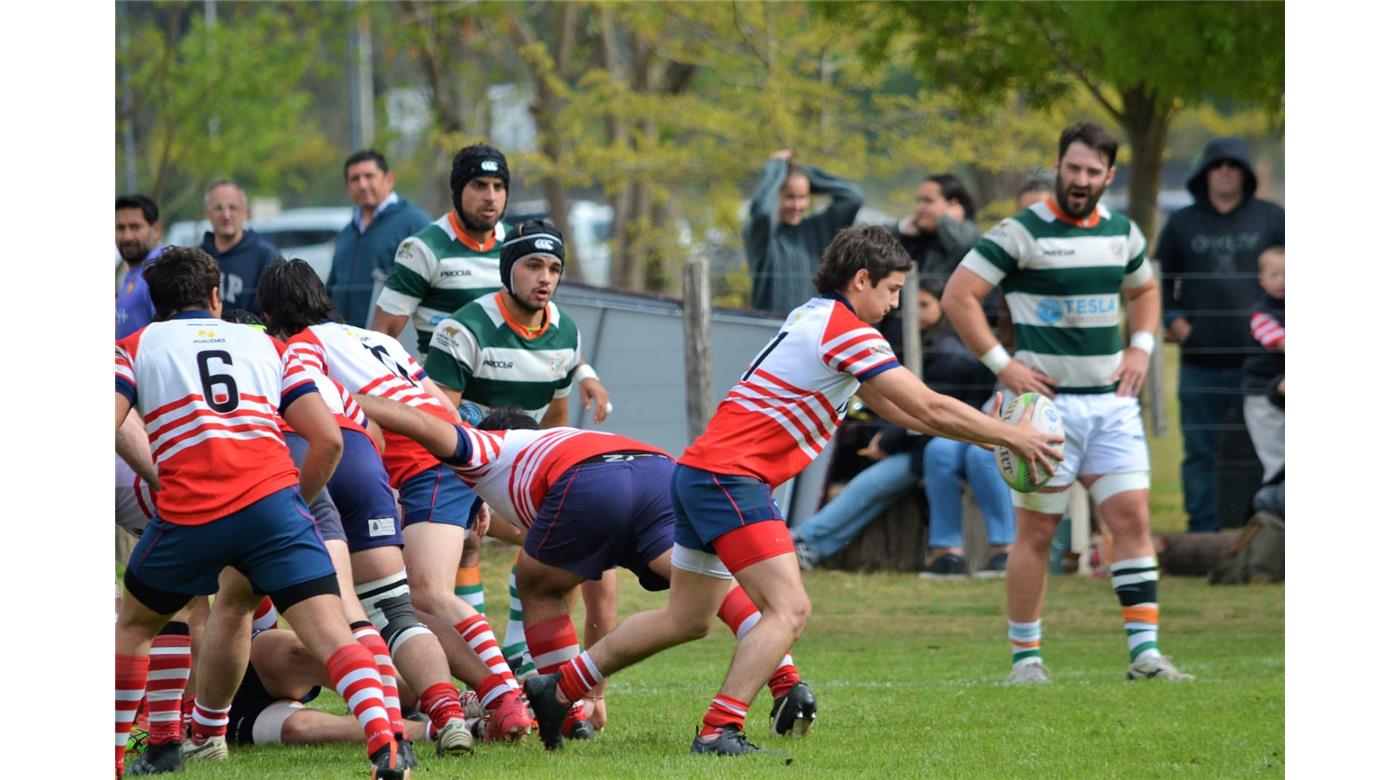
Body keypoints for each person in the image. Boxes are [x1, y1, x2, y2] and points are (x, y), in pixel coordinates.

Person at [523, 225, 1062, 755]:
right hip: (732, 479)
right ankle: (718, 729)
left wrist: (988, 435)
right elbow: (925, 404)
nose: (896, 304)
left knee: (685, 619)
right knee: (790, 609)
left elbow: (901, 409)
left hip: (699, 474)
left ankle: (560, 688)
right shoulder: (848, 331)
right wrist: (1011, 434)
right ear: (860, 280)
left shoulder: (814, 315)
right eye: (892, 290)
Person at [348, 398, 820, 747]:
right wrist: (599, 685)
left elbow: (424, 424)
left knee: (537, 585)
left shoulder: (490, 448)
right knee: (694, 586)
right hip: (659, 471)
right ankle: (785, 679)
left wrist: (350, 402)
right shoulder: (562, 445)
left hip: (590, 481)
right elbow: (601, 589)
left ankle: (561, 709)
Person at [114, 246, 404, 778]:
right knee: (334, 632)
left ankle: (146, 749)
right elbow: (328, 440)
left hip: (192, 511)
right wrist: (293, 502)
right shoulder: (268, 345)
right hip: (273, 505)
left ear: (156, 304)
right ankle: (387, 742)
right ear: (216, 297)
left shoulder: (134, 346)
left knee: (137, 624)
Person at [943, 122, 1193, 685]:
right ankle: (1026, 661)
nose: (1080, 179)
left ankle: (1146, 656)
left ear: (1109, 176)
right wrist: (1002, 365)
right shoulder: (1019, 232)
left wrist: (1142, 346)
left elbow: (1146, 290)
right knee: (1036, 534)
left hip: (1112, 404)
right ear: (1059, 166)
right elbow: (960, 296)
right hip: (1044, 416)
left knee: (1132, 520)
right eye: (1072, 167)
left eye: (1092, 171)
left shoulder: (1122, 233)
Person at [257, 258, 534, 740]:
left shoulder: (298, 347)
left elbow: (338, 419)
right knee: (403, 605)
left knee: (422, 598)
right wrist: (476, 479)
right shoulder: (377, 339)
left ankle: (505, 697)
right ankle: (465, 704)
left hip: (414, 465)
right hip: (450, 453)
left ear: (272, 314)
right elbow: (442, 408)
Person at [790, 281, 1014, 578]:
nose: (906, 308)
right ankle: (946, 554)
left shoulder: (952, 355)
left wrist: (890, 441)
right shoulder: (906, 341)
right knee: (884, 483)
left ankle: (1005, 551)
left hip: (931, 441)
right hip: (923, 444)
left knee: (876, 484)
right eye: (911, 303)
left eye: (925, 304)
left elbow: (932, 409)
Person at [1157, 137, 1285, 532]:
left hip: (1264, 369)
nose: (1226, 171)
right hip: (1201, 362)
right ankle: (1203, 531)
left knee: (1273, 453)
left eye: (1234, 165)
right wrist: (1174, 319)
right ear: (1205, 173)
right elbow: (1158, 280)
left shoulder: (1273, 218)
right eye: (1218, 165)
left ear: (1245, 174)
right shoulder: (1182, 223)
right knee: (1200, 452)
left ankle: (1267, 528)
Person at [424, 219, 581, 426]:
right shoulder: (461, 331)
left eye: (554, 269)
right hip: (469, 456)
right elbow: (438, 427)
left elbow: (554, 425)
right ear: (507, 269)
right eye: (533, 266)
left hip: (527, 456)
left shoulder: (567, 333)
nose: (545, 278)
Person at [742, 149, 863, 314]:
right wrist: (775, 168)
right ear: (775, 196)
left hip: (813, 330)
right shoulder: (763, 235)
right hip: (772, 330)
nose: (797, 206)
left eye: (803, 197)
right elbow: (762, 212)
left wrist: (806, 175)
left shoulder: (818, 229)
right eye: (790, 197)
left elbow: (854, 198)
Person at [328, 150, 432, 329]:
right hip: (345, 341)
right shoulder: (347, 232)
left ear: (389, 179)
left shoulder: (414, 223)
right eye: (355, 179)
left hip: (392, 344)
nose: (362, 184)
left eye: (369, 176)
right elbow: (331, 288)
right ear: (347, 187)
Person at [199, 180, 280, 315]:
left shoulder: (266, 257)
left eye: (233, 207)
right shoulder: (197, 259)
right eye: (218, 208)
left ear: (245, 212)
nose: (226, 215)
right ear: (207, 214)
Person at [889, 174, 981, 285]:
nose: (919, 208)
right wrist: (899, 228)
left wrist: (946, 222)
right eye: (918, 201)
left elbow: (959, 247)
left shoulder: (969, 234)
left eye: (928, 201)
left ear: (953, 204)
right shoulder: (914, 234)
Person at [1241, 246, 1284, 483]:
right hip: (1263, 398)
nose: (1282, 281)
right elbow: (1281, 342)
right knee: (1277, 462)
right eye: (1274, 275)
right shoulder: (1260, 315)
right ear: (1261, 279)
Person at [116, 194, 164, 339]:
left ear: (156, 229)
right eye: (120, 228)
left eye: (135, 227)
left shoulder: (161, 272)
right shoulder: (137, 270)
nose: (127, 237)